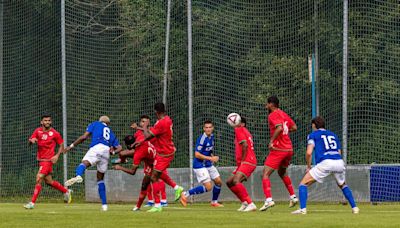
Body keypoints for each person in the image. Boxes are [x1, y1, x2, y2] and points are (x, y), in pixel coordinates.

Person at [292, 116, 359, 214]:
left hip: (326, 162)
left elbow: (309, 152)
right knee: (342, 184)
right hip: (339, 162)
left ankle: (303, 209)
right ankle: (354, 208)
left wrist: (309, 167)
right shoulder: (333, 135)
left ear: (314, 125)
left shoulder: (313, 135)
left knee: (303, 184)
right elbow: (339, 152)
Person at [63, 116, 122, 211]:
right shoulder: (110, 132)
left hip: (97, 148)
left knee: (84, 163)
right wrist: (113, 152)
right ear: (108, 124)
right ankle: (104, 206)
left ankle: (78, 175)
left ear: (100, 121)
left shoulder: (95, 124)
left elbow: (84, 136)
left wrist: (71, 146)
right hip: (106, 152)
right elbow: (119, 147)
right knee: (100, 178)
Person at [134, 102, 184, 212]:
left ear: (156, 111)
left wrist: (145, 126)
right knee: (159, 174)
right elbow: (155, 135)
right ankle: (177, 188)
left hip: (164, 153)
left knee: (154, 177)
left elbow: (147, 136)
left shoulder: (161, 123)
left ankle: (158, 205)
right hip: (163, 151)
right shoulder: (167, 119)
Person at [24, 113, 72, 209]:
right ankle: (66, 191)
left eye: (49, 120)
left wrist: (57, 155)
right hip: (41, 160)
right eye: (45, 120)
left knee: (38, 178)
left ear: (51, 122)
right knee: (49, 181)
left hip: (48, 160)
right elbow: (30, 141)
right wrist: (31, 141)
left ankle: (32, 203)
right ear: (41, 122)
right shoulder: (37, 131)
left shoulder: (55, 133)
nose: (47, 122)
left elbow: (61, 144)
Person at [260, 96, 298, 211]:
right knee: (282, 172)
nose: (266, 105)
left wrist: (272, 141)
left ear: (271, 104)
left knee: (265, 174)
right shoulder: (283, 114)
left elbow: (279, 128)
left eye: (267, 103)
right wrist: (286, 131)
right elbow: (294, 127)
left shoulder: (272, 115)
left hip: (279, 149)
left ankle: (269, 200)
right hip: (289, 149)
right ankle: (293, 197)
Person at [180, 120, 223, 207]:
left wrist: (212, 157)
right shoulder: (202, 139)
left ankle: (214, 202)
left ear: (212, 128)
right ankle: (185, 194)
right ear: (204, 129)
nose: (208, 129)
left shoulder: (212, 137)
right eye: (206, 127)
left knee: (218, 182)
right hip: (199, 165)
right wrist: (211, 158)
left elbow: (208, 150)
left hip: (207, 163)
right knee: (208, 187)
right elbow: (197, 154)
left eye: (210, 127)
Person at [226, 116, 257, 212]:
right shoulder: (244, 131)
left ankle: (250, 203)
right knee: (229, 182)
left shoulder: (239, 130)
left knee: (236, 180)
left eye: (239, 121)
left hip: (248, 161)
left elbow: (245, 145)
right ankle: (244, 202)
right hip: (246, 162)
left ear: (242, 124)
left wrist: (242, 161)